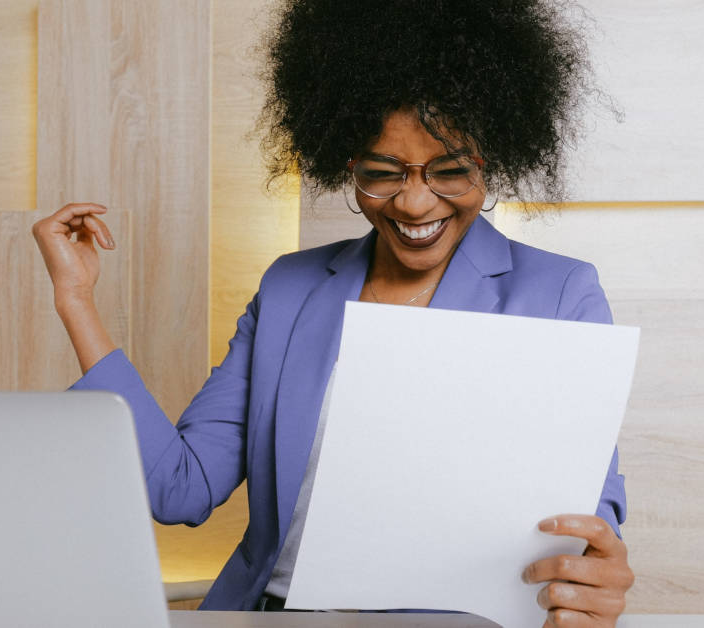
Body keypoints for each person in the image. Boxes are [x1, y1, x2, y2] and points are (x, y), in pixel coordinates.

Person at [32, 0, 634, 625]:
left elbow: (590, 514)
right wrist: (76, 301)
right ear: (347, 161)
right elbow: (178, 488)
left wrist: (595, 572)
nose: (415, 201)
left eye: (450, 169)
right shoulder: (290, 289)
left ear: (493, 157)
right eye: (382, 171)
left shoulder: (560, 294)